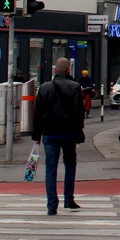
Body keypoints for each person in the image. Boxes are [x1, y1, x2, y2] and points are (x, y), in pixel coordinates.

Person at [32, 58, 86, 215]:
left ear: (55, 71)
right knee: (70, 164)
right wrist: (79, 132)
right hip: (68, 133)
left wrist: (36, 134)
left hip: (49, 134)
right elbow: (78, 113)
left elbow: (38, 113)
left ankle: (51, 205)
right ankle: (69, 199)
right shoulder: (75, 87)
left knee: (51, 168)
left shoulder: (44, 88)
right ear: (69, 70)